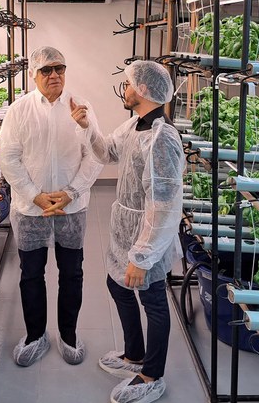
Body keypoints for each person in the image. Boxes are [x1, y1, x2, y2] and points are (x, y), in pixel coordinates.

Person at [70, 60, 184, 403]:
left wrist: (143, 256)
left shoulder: (162, 138)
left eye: (128, 84)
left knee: (153, 300)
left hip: (149, 235)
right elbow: (108, 151)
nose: (125, 90)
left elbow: (163, 205)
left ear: (144, 90)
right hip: (127, 228)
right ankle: (134, 355)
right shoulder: (136, 125)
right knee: (116, 284)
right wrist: (88, 126)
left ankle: (152, 374)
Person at [0, 46, 103, 367]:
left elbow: (95, 155)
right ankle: (35, 335)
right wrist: (35, 195)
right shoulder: (19, 110)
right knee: (31, 274)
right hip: (32, 210)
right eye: (47, 70)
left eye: (60, 68)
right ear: (33, 74)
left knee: (72, 273)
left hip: (71, 208)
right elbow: (8, 157)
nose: (54, 75)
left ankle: (68, 335)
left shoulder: (80, 107)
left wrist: (71, 192)